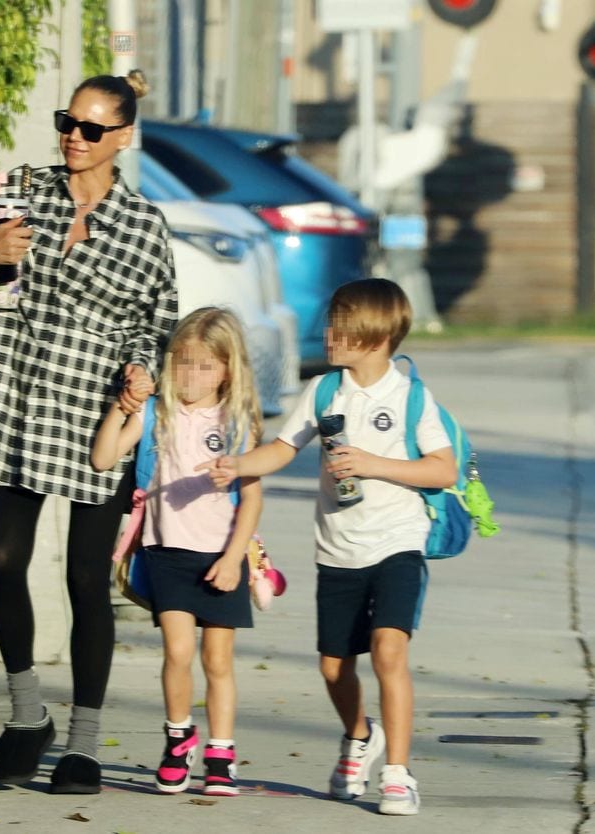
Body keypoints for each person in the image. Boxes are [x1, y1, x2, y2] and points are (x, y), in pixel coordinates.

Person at [0, 70, 178, 794]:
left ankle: (82, 742)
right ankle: (26, 715)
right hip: (21, 396)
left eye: (91, 129)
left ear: (123, 137)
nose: (73, 138)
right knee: (1, 563)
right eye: (66, 122)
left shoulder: (143, 224)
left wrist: (142, 373)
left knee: (86, 579)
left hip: (96, 414)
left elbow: (159, 320)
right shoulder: (20, 188)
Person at [198, 279, 455, 815]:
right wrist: (238, 464)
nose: (329, 334)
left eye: (341, 326)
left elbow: (443, 467)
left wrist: (373, 464)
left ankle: (399, 774)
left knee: (389, 651)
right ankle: (360, 736)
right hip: (337, 550)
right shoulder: (323, 392)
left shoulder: (410, 397)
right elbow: (281, 449)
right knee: (334, 668)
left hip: (397, 543)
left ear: (376, 337)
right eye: (331, 323)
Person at [91, 307, 263, 797]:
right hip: (166, 552)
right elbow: (103, 458)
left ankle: (221, 753)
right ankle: (178, 738)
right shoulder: (156, 413)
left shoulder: (236, 422)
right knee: (178, 652)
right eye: (183, 362)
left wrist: (233, 560)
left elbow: (251, 498)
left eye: (205, 365)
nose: (192, 375)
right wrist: (121, 408)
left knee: (218, 661)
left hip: (221, 557)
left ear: (228, 369)